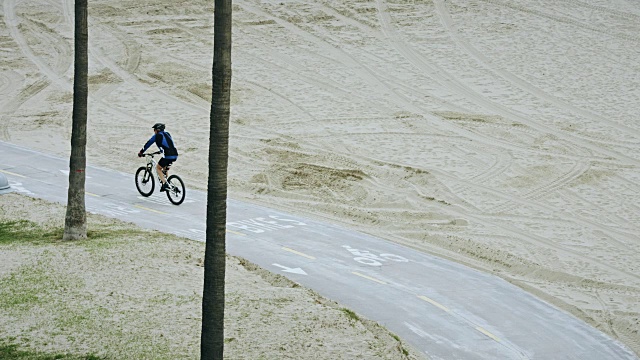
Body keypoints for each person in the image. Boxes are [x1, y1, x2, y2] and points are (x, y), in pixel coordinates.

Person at [138, 123, 179, 192]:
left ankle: (165, 183)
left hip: (167, 156)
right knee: (164, 168)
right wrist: (161, 151)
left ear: (157, 130)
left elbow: (148, 144)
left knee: (158, 168)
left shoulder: (156, 136)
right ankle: (167, 183)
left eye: (154, 129)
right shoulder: (168, 134)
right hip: (175, 154)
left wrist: (141, 152)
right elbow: (169, 144)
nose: (154, 131)